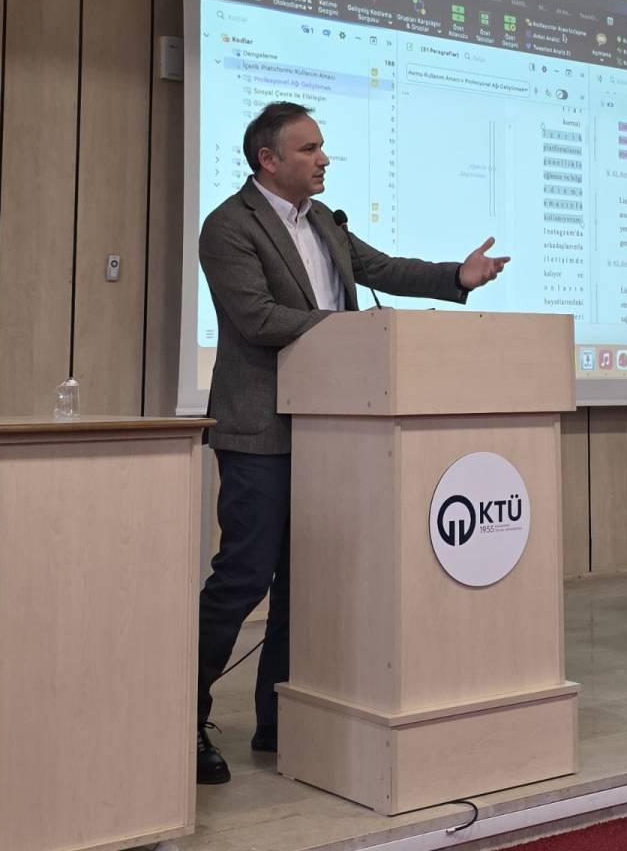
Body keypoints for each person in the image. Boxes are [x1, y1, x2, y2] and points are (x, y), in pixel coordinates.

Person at [197, 101, 509, 784]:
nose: (324, 159)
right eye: (309, 149)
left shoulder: (324, 224)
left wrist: (454, 277)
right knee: (244, 575)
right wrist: (353, 332)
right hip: (260, 428)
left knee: (304, 583)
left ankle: (282, 719)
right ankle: (182, 716)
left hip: (328, 428)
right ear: (268, 160)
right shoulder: (229, 226)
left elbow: (383, 269)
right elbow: (256, 319)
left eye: (323, 147)